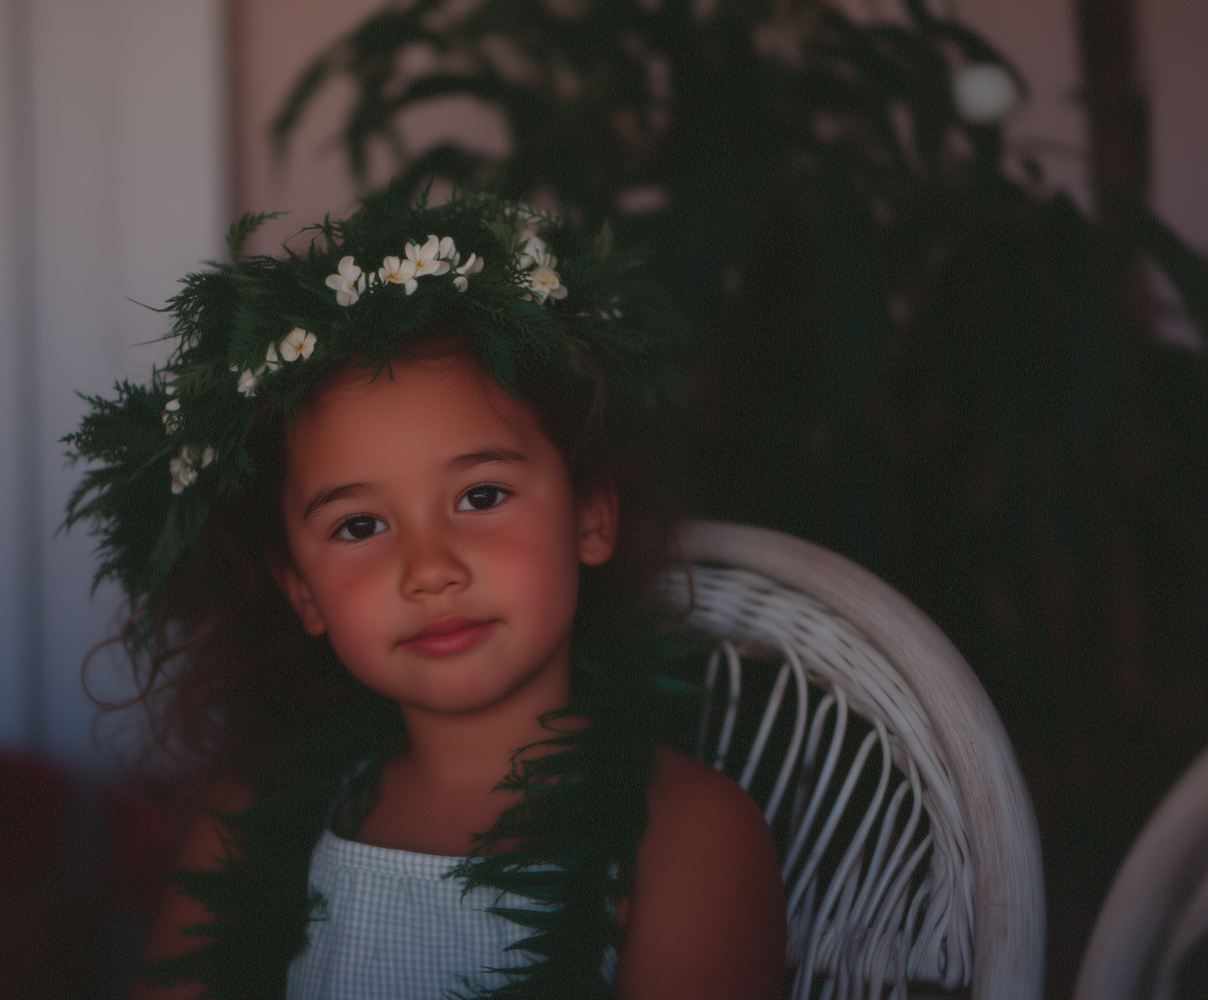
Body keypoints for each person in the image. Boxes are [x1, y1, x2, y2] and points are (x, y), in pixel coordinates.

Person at [66, 192, 786, 999]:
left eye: (480, 497)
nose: (429, 567)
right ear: (302, 590)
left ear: (592, 513)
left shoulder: (685, 837)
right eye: (360, 524)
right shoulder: (253, 816)